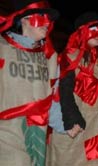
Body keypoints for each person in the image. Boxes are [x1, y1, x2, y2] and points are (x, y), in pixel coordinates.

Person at [46, 11, 98, 166]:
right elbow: (63, 91)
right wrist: (70, 118)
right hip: (77, 126)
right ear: (82, 32)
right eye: (95, 30)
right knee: (74, 160)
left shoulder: (97, 60)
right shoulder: (70, 58)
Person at [0, 0, 60, 165]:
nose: (47, 23)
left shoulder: (49, 57)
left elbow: (52, 96)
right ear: (24, 19)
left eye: (48, 18)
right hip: (6, 132)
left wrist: (64, 123)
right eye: (41, 16)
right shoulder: (2, 48)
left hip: (38, 133)